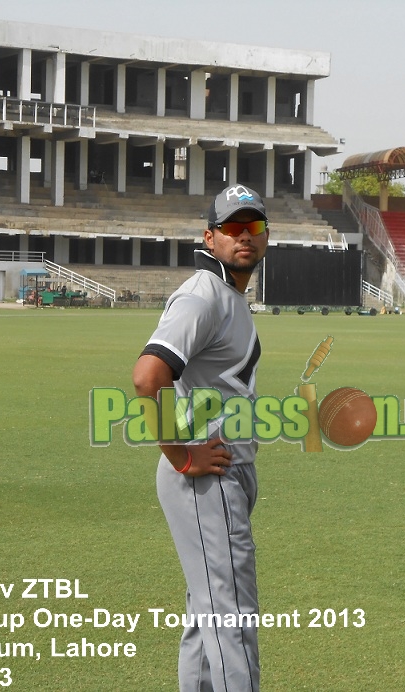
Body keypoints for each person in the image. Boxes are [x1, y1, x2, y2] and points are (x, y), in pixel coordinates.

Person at [133, 183, 269, 691]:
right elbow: (149, 377)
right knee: (231, 617)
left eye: (254, 227)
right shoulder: (203, 294)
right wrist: (181, 455)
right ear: (209, 237)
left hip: (223, 474)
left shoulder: (228, 296)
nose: (245, 237)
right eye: (232, 228)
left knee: (207, 612)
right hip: (206, 479)